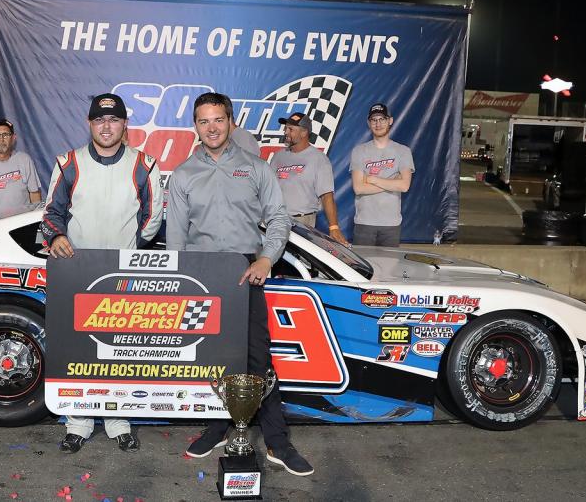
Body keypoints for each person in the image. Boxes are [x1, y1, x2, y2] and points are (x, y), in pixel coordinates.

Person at [167, 92, 313, 476]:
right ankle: (217, 428)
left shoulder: (256, 167)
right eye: (203, 121)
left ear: (231, 121)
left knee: (257, 361)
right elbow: (176, 238)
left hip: (248, 272)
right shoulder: (183, 174)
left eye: (218, 119)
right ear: (195, 126)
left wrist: (267, 257)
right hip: (202, 278)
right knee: (211, 360)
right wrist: (180, 283)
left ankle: (278, 443)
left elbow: (279, 218)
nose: (212, 127)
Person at [41, 93, 163, 454]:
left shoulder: (145, 163)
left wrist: (129, 251)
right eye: (99, 120)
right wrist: (58, 236)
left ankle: (118, 421)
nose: (106, 126)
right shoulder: (68, 163)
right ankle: (77, 422)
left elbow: (153, 216)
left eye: (113, 120)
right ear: (89, 124)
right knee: (79, 348)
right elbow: (51, 213)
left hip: (124, 273)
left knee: (120, 350)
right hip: (77, 273)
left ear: (125, 124)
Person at [270, 111, 348, 245]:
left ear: (304, 132)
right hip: (276, 220)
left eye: (290, 129)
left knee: (300, 263)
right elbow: (268, 189)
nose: (285, 132)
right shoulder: (278, 156)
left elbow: (326, 196)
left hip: (303, 222)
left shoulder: (318, 159)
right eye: (285, 128)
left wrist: (334, 227)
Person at [350, 103, 415, 247]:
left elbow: (404, 186)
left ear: (390, 121)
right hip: (364, 223)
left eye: (382, 119)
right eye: (374, 120)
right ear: (369, 123)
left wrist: (372, 179)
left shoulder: (403, 151)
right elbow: (359, 188)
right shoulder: (359, 151)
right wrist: (392, 182)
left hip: (391, 225)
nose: (378, 123)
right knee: (363, 269)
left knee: (389, 269)